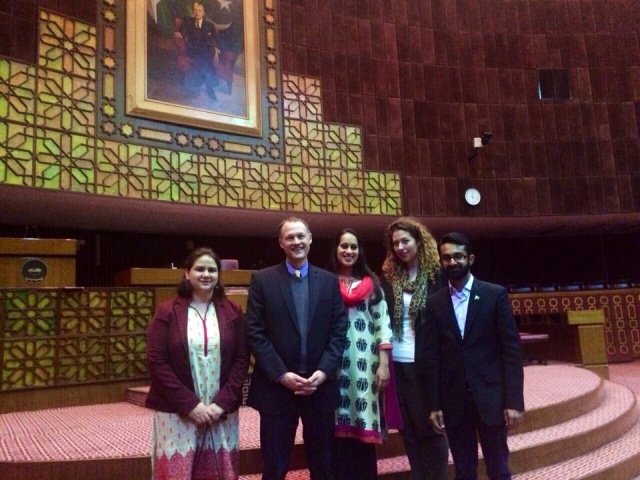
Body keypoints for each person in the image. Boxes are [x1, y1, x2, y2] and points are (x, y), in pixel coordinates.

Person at [246, 216, 348, 480]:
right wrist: (282, 375)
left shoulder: (328, 281)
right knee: (275, 465)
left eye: (301, 236)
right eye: (289, 237)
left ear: (310, 238)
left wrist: (324, 371)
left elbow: (339, 332)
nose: (296, 241)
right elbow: (255, 333)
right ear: (281, 242)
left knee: (323, 464)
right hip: (277, 389)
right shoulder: (262, 280)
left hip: (319, 386)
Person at [422, 232, 524, 480]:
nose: (452, 262)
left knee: (498, 468)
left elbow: (510, 351)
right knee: (464, 470)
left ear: (470, 258)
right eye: (446, 258)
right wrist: (434, 404)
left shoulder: (494, 294)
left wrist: (513, 402)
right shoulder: (435, 303)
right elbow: (432, 356)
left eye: (458, 256)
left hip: (491, 398)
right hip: (454, 400)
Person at [145, 247, 249, 480]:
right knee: (176, 472)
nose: (206, 274)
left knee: (219, 471)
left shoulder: (232, 311)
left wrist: (221, 404)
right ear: (187, 273)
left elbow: (241, 359)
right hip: (177, 411)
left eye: (212, 270)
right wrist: (191, 405)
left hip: (219, 410)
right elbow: (156, 361)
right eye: (200, 269)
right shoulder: (167, 311)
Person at [381, 217, 449, 480]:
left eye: (405, 240)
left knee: (431, 428)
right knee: (408, 429)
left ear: (419, 241)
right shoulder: (389, 278)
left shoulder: (437, 275)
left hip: (426, 362)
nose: (400, 247)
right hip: (397, 363)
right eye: (395, 242)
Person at [329, 228, 393, 480]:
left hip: (366, 364)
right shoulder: (325, 282)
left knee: (363, 420)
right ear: (335, 249)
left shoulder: (372, 284)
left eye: (354, 247)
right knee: (335, 421)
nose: (349, 251)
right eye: (344, 246)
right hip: (333, 364)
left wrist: (384, 364)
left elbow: (382, 323)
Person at [174, 1, 219, 100]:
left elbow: (215, 40)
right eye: (195, 10)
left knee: (204, 57)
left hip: (204, 50)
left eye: (199, 10)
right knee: (203, 60)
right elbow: (181, 33)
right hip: (191, 49)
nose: (197, 12)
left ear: (203, 12)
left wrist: (215, 50)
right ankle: (208, 86)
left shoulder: (209, 25)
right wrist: (178, 34)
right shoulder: (187, 21)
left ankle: (195, 88)